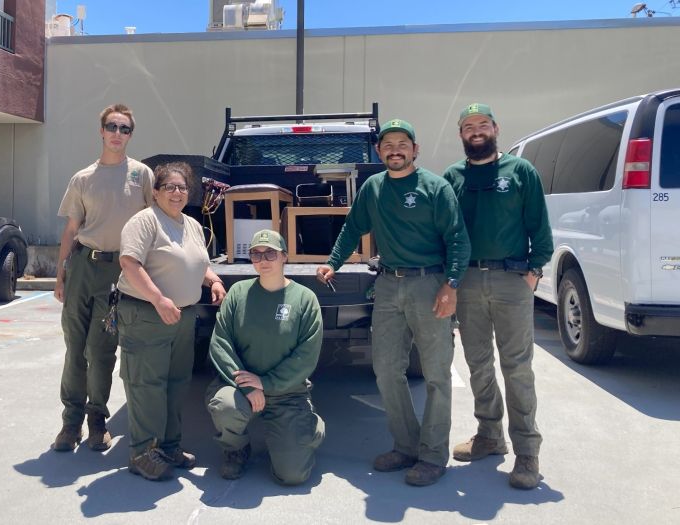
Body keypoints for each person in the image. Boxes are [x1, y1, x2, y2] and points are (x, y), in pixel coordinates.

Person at [317, 119, 470, 487]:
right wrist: (332, 262)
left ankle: (433, 455)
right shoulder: (373, 188)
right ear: (379, 151)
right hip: (387, 285)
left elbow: (458, 239)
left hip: (430, 283)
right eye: (388, 145)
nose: (395, 150)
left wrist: (451, 286)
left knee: (436, 374)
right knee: (386, 371)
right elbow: (353, 227)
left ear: (415, 150)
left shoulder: (436, 187)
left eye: (403, 144)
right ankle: (406, 446)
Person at [443, 103, 554, 490]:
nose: (476, 131)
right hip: (468, 280)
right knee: (477, 364)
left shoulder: (521, 171)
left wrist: (535, 270)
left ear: (495, 128)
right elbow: (446, 231)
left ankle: (527, 452)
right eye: (468, 126)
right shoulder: (452, 177)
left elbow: (539, 224)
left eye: (483, 125)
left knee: (517, 367)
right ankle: (490, 435)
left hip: (511, 278)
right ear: (461, 134)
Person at [53, 103, 153, 452]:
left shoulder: (141, 174)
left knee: (103, 348)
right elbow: (70, 229)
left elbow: (150, 223)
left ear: (130, 135)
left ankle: (98, 419)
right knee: (74, 348)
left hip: (118, 272)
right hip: (83, 265)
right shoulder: (83, 178)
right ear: (101, 131)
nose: (117, 134)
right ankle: (70, 423)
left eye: (124, 129)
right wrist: (60, 274)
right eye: (112, 127)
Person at [117, 161, 226, 481]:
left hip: (181, 316)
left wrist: (213, 280)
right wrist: (158, 299)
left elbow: (195, 261)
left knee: (177, 384)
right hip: (147, 313)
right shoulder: (145, 221)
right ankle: (141, 453)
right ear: (155, 192)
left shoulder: (190, 224)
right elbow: (129, 263)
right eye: (169, 187)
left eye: (182, 188)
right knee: (146, 386)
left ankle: (168, 447)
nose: (177, 193)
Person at [207, 230, 325, 485]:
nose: (263, 260)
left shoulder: (305, 299)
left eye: (270, 253)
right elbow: (220, 342)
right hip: (242, 387)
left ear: (284, 256)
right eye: (256, 254)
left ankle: (310, 429)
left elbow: (306, 356)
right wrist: (249, 386)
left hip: (288, 393)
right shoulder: (238, 293)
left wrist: (267, 383)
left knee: (293, 476)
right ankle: (235, 448)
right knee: (224, 406)